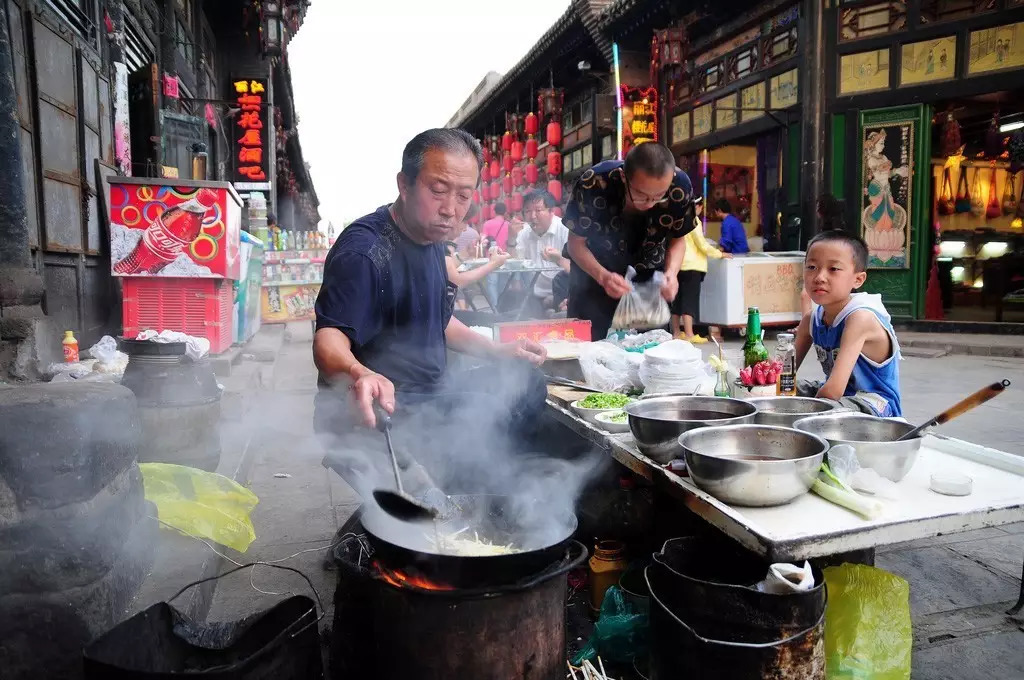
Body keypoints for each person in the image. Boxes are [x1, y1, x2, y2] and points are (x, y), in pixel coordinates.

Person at [312, 128, 548, 499]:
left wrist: (501, 351)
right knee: (445, 500)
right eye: (438, 190)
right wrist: (360, 372)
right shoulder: (366, 252)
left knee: (525, 383)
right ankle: (451, 502)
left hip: (430, 394)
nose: (450, 208)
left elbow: (439, 321)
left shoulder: (433, 241)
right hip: (380, 413)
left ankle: (490, 492)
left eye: (463, 195)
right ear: (404, 185)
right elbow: (328, 340)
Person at [564, 142, 695, 339]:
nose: (650, 204)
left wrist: (672, 274)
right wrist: (603, 276)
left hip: (649, 276)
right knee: (587, 345)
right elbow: (576, 244)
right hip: (594, 271)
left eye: (659, 196)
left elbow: (678, 239)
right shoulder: (593, 184)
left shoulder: (679, 188)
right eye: (642, 195)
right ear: (624, 177)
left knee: (651, 349)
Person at [793, 230, 902, 417]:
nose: (819, 277)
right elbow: (781, 374)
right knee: (781, 388)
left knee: (821, 408)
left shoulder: (860, 317)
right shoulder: (811, 320)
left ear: (858, 279)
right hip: (840, 400)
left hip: (873, 407)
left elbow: (833, 391)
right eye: (812, 267)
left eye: (833, 269)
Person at [671, 198, 731, 343]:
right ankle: (690, 334)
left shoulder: (677, 219)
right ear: (697, 207)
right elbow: (702, 245)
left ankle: (676, 333)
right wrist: (720, 254)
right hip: (692, 266)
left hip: (679, 264)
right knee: (689, 301)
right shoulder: (693, 221)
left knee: (678, 301)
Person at [516, 189, 571, 311]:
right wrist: (510, 239)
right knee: (507, 301)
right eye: (528, 211)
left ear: (551, 211)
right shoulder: (524, 233)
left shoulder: (565, 230)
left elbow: (579, 272)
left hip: (565, 294)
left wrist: (559, 259)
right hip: (534, 295)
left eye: (538, 210)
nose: (533, 216)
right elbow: (515, 263)